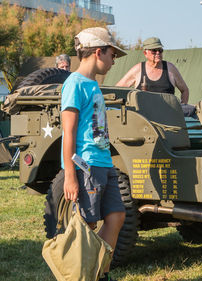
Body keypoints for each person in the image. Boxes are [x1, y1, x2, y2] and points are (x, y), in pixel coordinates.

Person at [61, 27, 127, 281]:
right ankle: (77, 272)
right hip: (86, 165)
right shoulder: (74, 84)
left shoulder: (92, 85)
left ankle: (100, 273)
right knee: (87, 225)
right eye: (112, 55)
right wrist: (70, 175)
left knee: (117, 216)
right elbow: (69, 131)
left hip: (104, 162)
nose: (113, 61)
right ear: (98, 52)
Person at [115, 37, 189, 105]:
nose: (158, 53)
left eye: (160, 50)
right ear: (145, 53)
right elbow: (116, 90)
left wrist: (182, 108)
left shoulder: (170, 69)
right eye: (154, 50)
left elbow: (185, 90)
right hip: (144, 117)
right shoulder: (138, 70)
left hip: (167, 116)